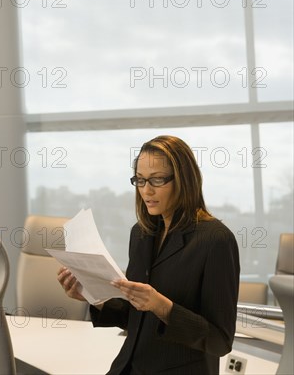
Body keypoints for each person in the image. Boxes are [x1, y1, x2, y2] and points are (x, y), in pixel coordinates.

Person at [58, 135, 240, 375]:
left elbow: (220, 341)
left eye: (157, 180)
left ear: (184, 180)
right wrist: (93, 297)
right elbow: (136, 318)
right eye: (140, 180)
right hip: (128, 366)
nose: (146, 190)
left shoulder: (216, 240)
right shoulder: (142, 233)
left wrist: (162, 306)